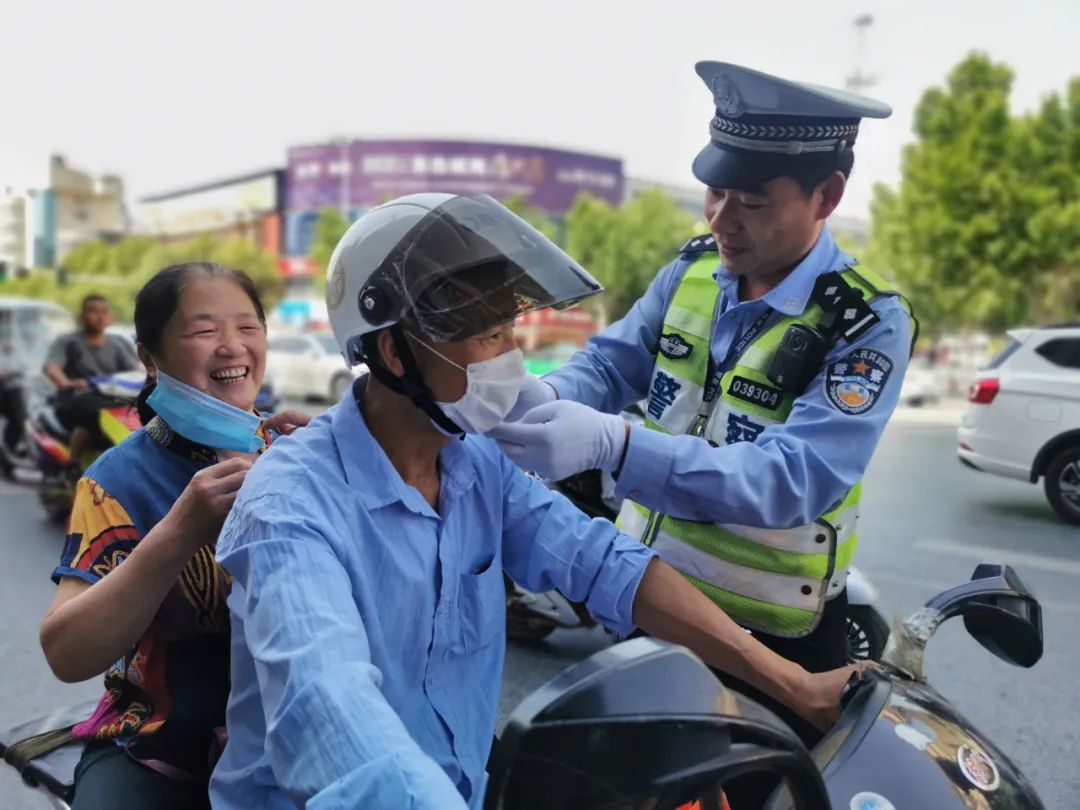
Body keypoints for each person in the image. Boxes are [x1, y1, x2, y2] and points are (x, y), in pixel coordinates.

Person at [210, 193, 865, 810]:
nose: (513, 361)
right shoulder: (290, 509)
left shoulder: (474, 461)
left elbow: (605, 564)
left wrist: (794, 685)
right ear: (394, 352)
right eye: (489, 337)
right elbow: (334, 714)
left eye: (510, 331)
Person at [490, 62, 917, 748]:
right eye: (715, 193)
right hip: (648, 601)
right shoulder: (691, 272)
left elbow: (793, 480)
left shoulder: (864, 323)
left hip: (773, 635)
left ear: (828, 195)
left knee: (754, 787)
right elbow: (611, 362)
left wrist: (616, 445)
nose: (722, 219)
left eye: (752, 202)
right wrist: (550, 398)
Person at [39, 263, 308, 810]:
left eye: (248, 327)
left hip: (300, 734)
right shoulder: (116, 482)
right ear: (149, 357)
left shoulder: (299, 454)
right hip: (158, 748)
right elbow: (66, 653)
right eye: (204, 330)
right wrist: (178, 534)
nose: (232, 346)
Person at [43, 294, 141, 467]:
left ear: (110, 317)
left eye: (104, 312)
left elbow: (136, 371)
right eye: (93, 311)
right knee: (90, 419)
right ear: (81, 316)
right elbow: (52, 367)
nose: (99, 316)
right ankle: (72, 467)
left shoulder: (118, 343)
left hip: (112, 399)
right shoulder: (68, 342)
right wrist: (65, 382)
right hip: (77, 399)